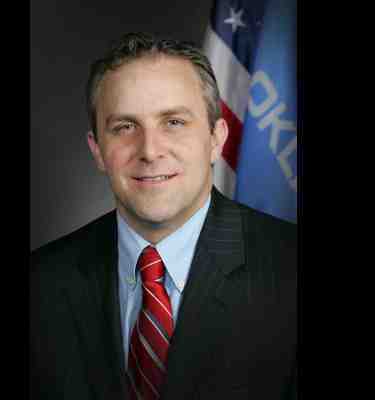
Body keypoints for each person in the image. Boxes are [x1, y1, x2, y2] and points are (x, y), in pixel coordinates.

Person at [30, 32, 297, 400]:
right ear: (97, 150)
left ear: (216, 138)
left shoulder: (288, 272)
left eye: (173, 122)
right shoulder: (42, 285)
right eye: (125, 127)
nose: (150, 150)